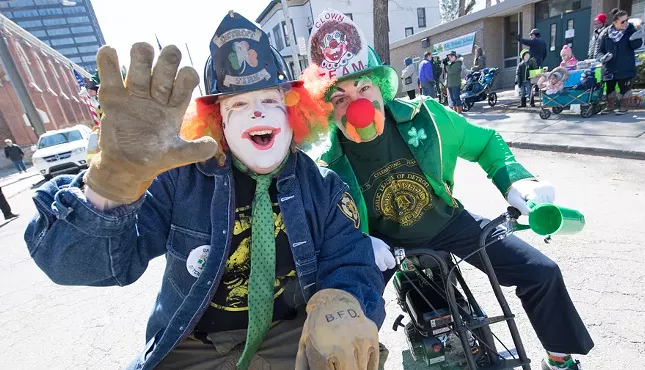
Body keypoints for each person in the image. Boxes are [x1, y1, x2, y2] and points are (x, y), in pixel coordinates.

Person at [25, 12, 387, 370]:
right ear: (220, 124)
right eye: (239, 105)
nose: (257, 114)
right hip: (193, 343)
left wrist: (343, 304)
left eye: (269, 101)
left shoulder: (321, 187)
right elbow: (80, 266)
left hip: (289, 336)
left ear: (294, 115)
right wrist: (108, 190)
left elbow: (351, 260)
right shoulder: (176, 180)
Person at [301, 10, 593, 370]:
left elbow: (486, 143)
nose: (357, 104)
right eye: (340, 98)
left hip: (450, 222)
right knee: (345, 320)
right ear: (326, 110)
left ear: (380, 87)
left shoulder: (428, 117)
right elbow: (323, 222)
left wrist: (517, 182)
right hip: (382, 246)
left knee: (541, 271)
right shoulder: (324, 162)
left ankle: (559, 358)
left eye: (364, 88)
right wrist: (358, 242)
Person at [597, 8, 645, 115]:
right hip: (609, 66)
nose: (625, 23)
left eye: (627, 20)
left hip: (625, 65)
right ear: (615, 22)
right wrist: (602, 57)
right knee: (610, 87)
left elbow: (636, 45)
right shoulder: (606, 34)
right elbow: (600, 50)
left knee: (624, 87)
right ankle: (610, 105)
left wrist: (635, 39)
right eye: (622, 21)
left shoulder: (630, 31)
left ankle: (624, 106)